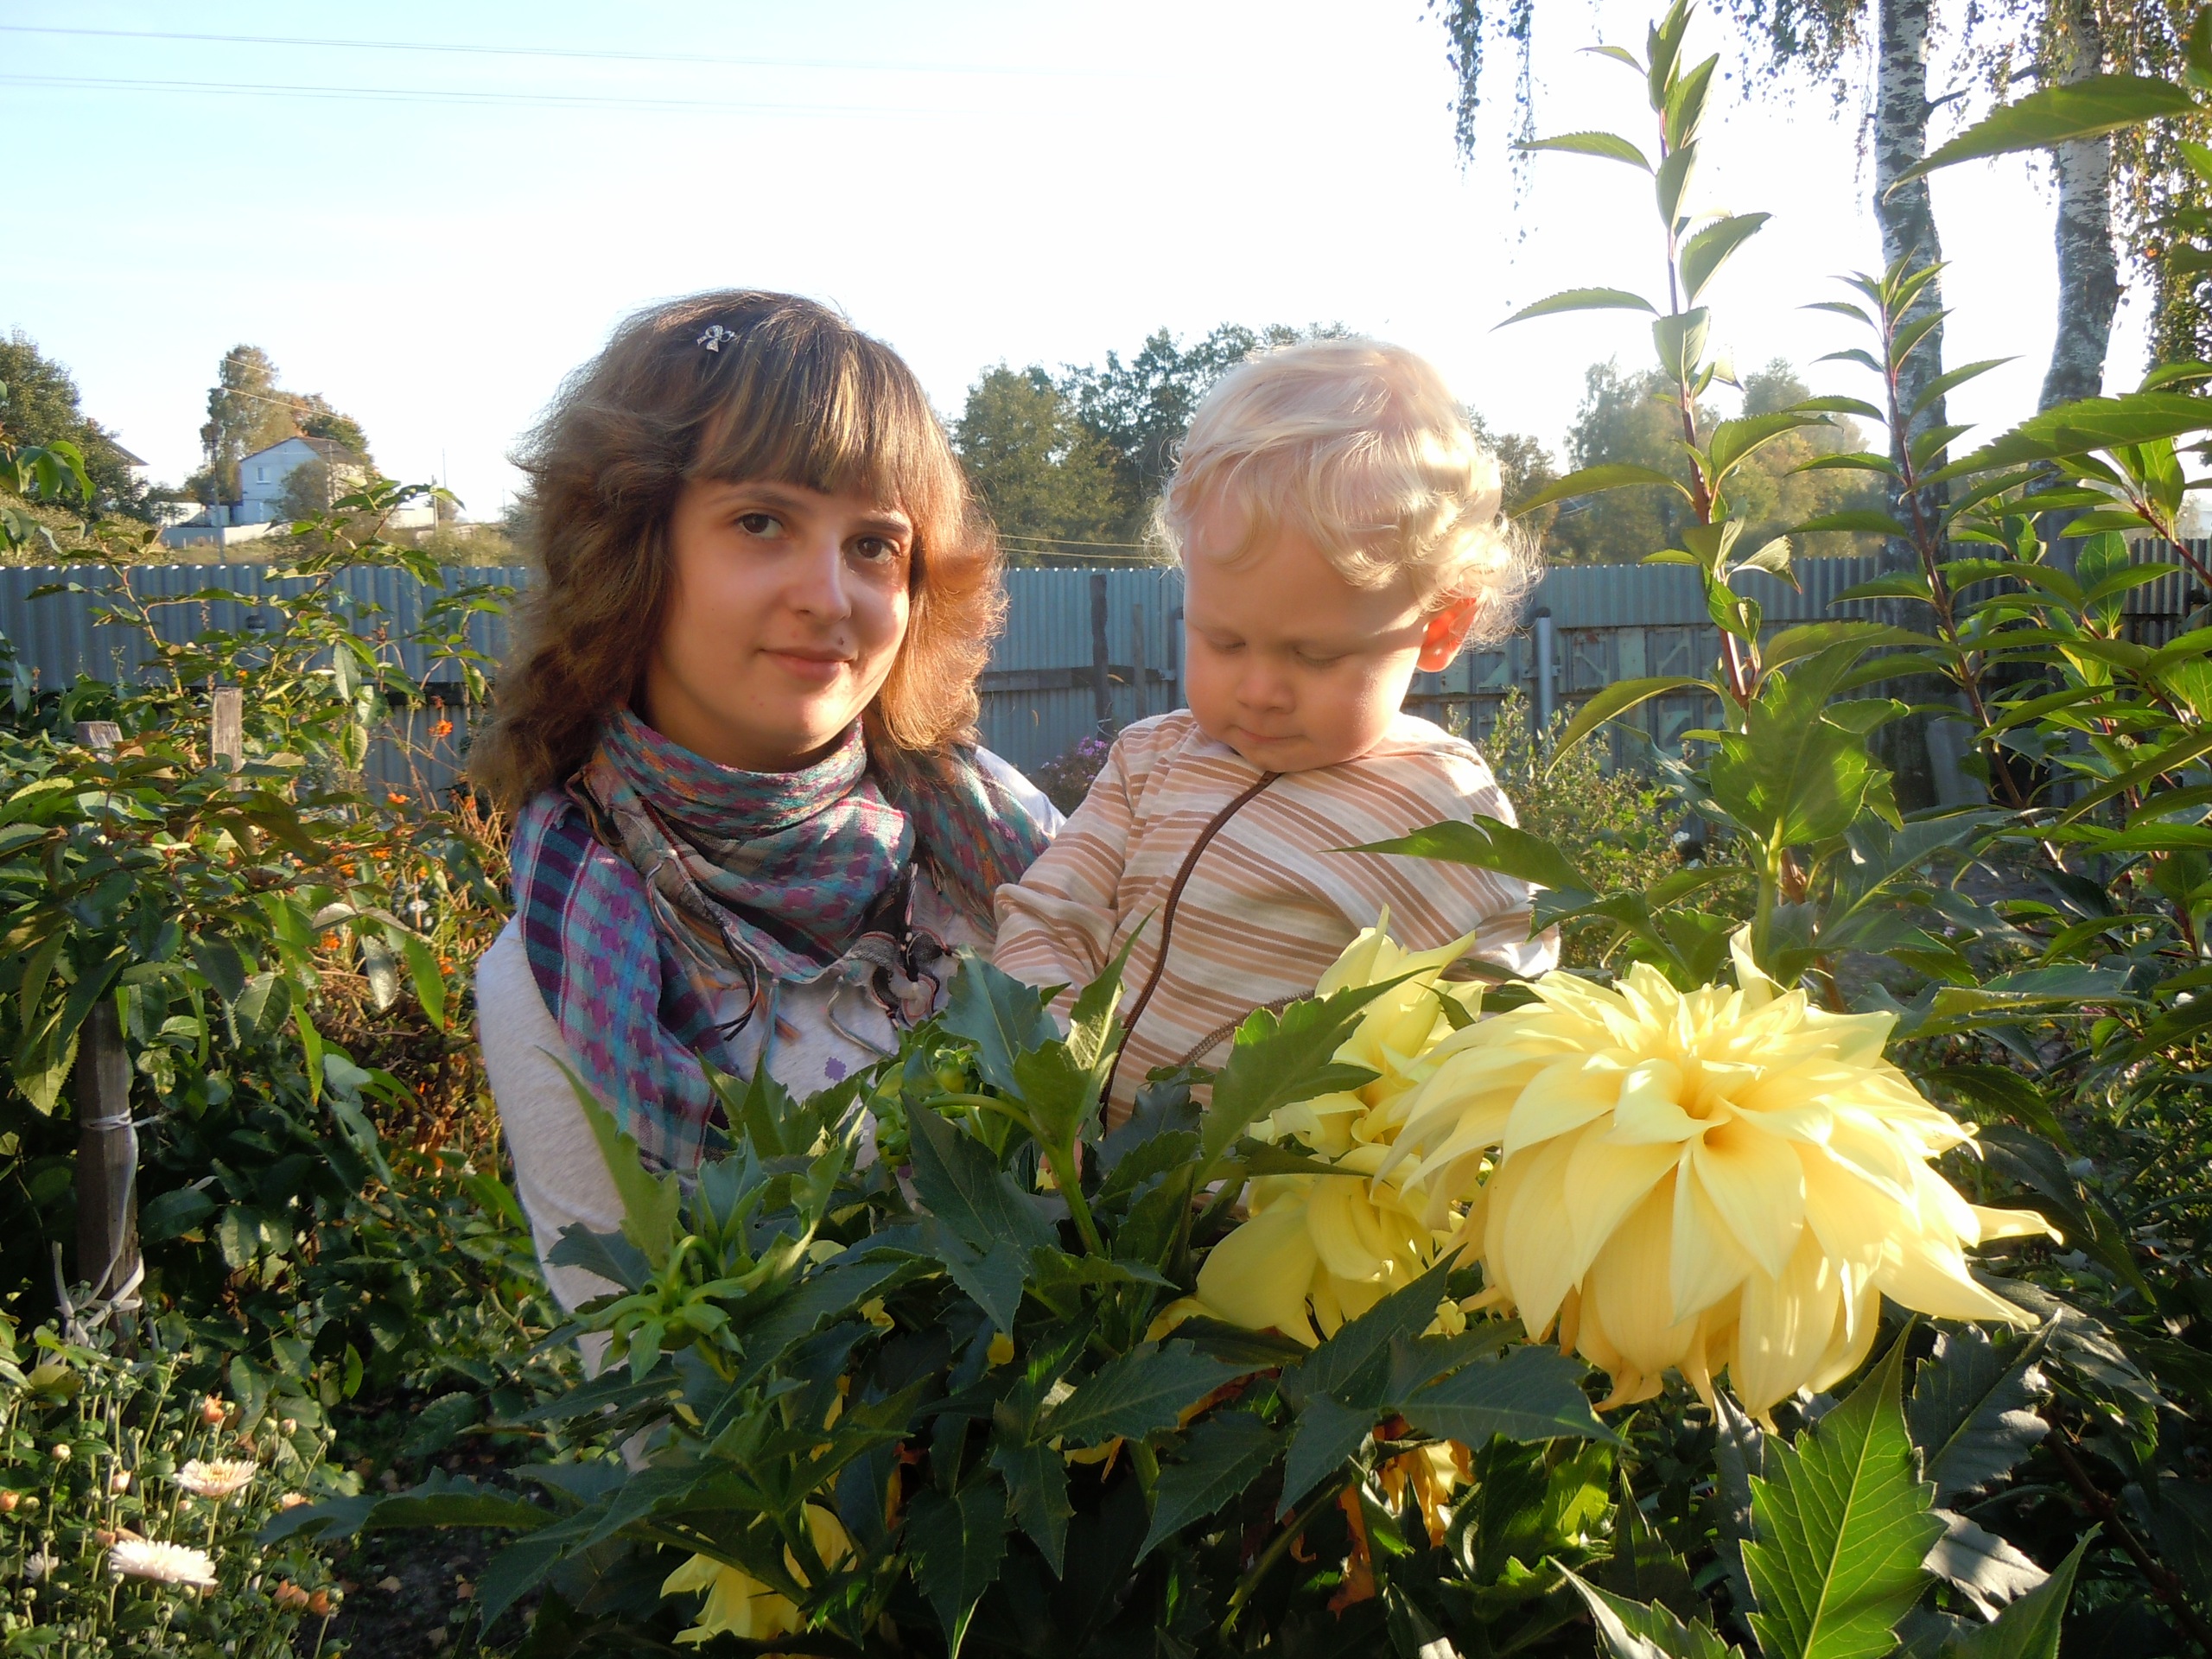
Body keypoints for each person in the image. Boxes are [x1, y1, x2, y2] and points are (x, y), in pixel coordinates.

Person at [471, 291, 1059, 1310]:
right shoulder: (557, 972)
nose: (829, 596)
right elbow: (653, 1379)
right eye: (760, 522)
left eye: (873, 545)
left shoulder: (1013, 846)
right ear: (632, 549)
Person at [992, 337, 1556, 1124]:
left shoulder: (1446, 814)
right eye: (1222, 641)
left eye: (1314, 655)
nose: (1258, 692)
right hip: (1081, 1171)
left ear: (1440, 626)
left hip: (1280, 1190)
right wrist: (1050, 1076)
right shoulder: (1150, 762)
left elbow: (1502, 1027)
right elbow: (1052, 917)